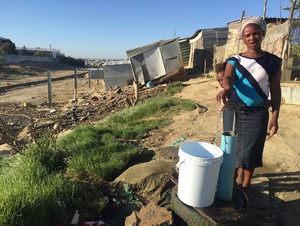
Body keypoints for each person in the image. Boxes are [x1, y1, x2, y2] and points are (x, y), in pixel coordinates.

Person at [216, 16, 282, 197]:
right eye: (247, 35)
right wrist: (226, 90)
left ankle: (245, 187)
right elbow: (228, 77)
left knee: (251, 151)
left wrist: (275, 118)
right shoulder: (234, 60)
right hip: (233, 111)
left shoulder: (273, 62)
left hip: (258, 113)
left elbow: (276, 91)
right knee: (231, 148)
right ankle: (230, 182)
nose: (252, 38)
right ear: (243, 38)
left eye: (256, 34)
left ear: (262, 34)